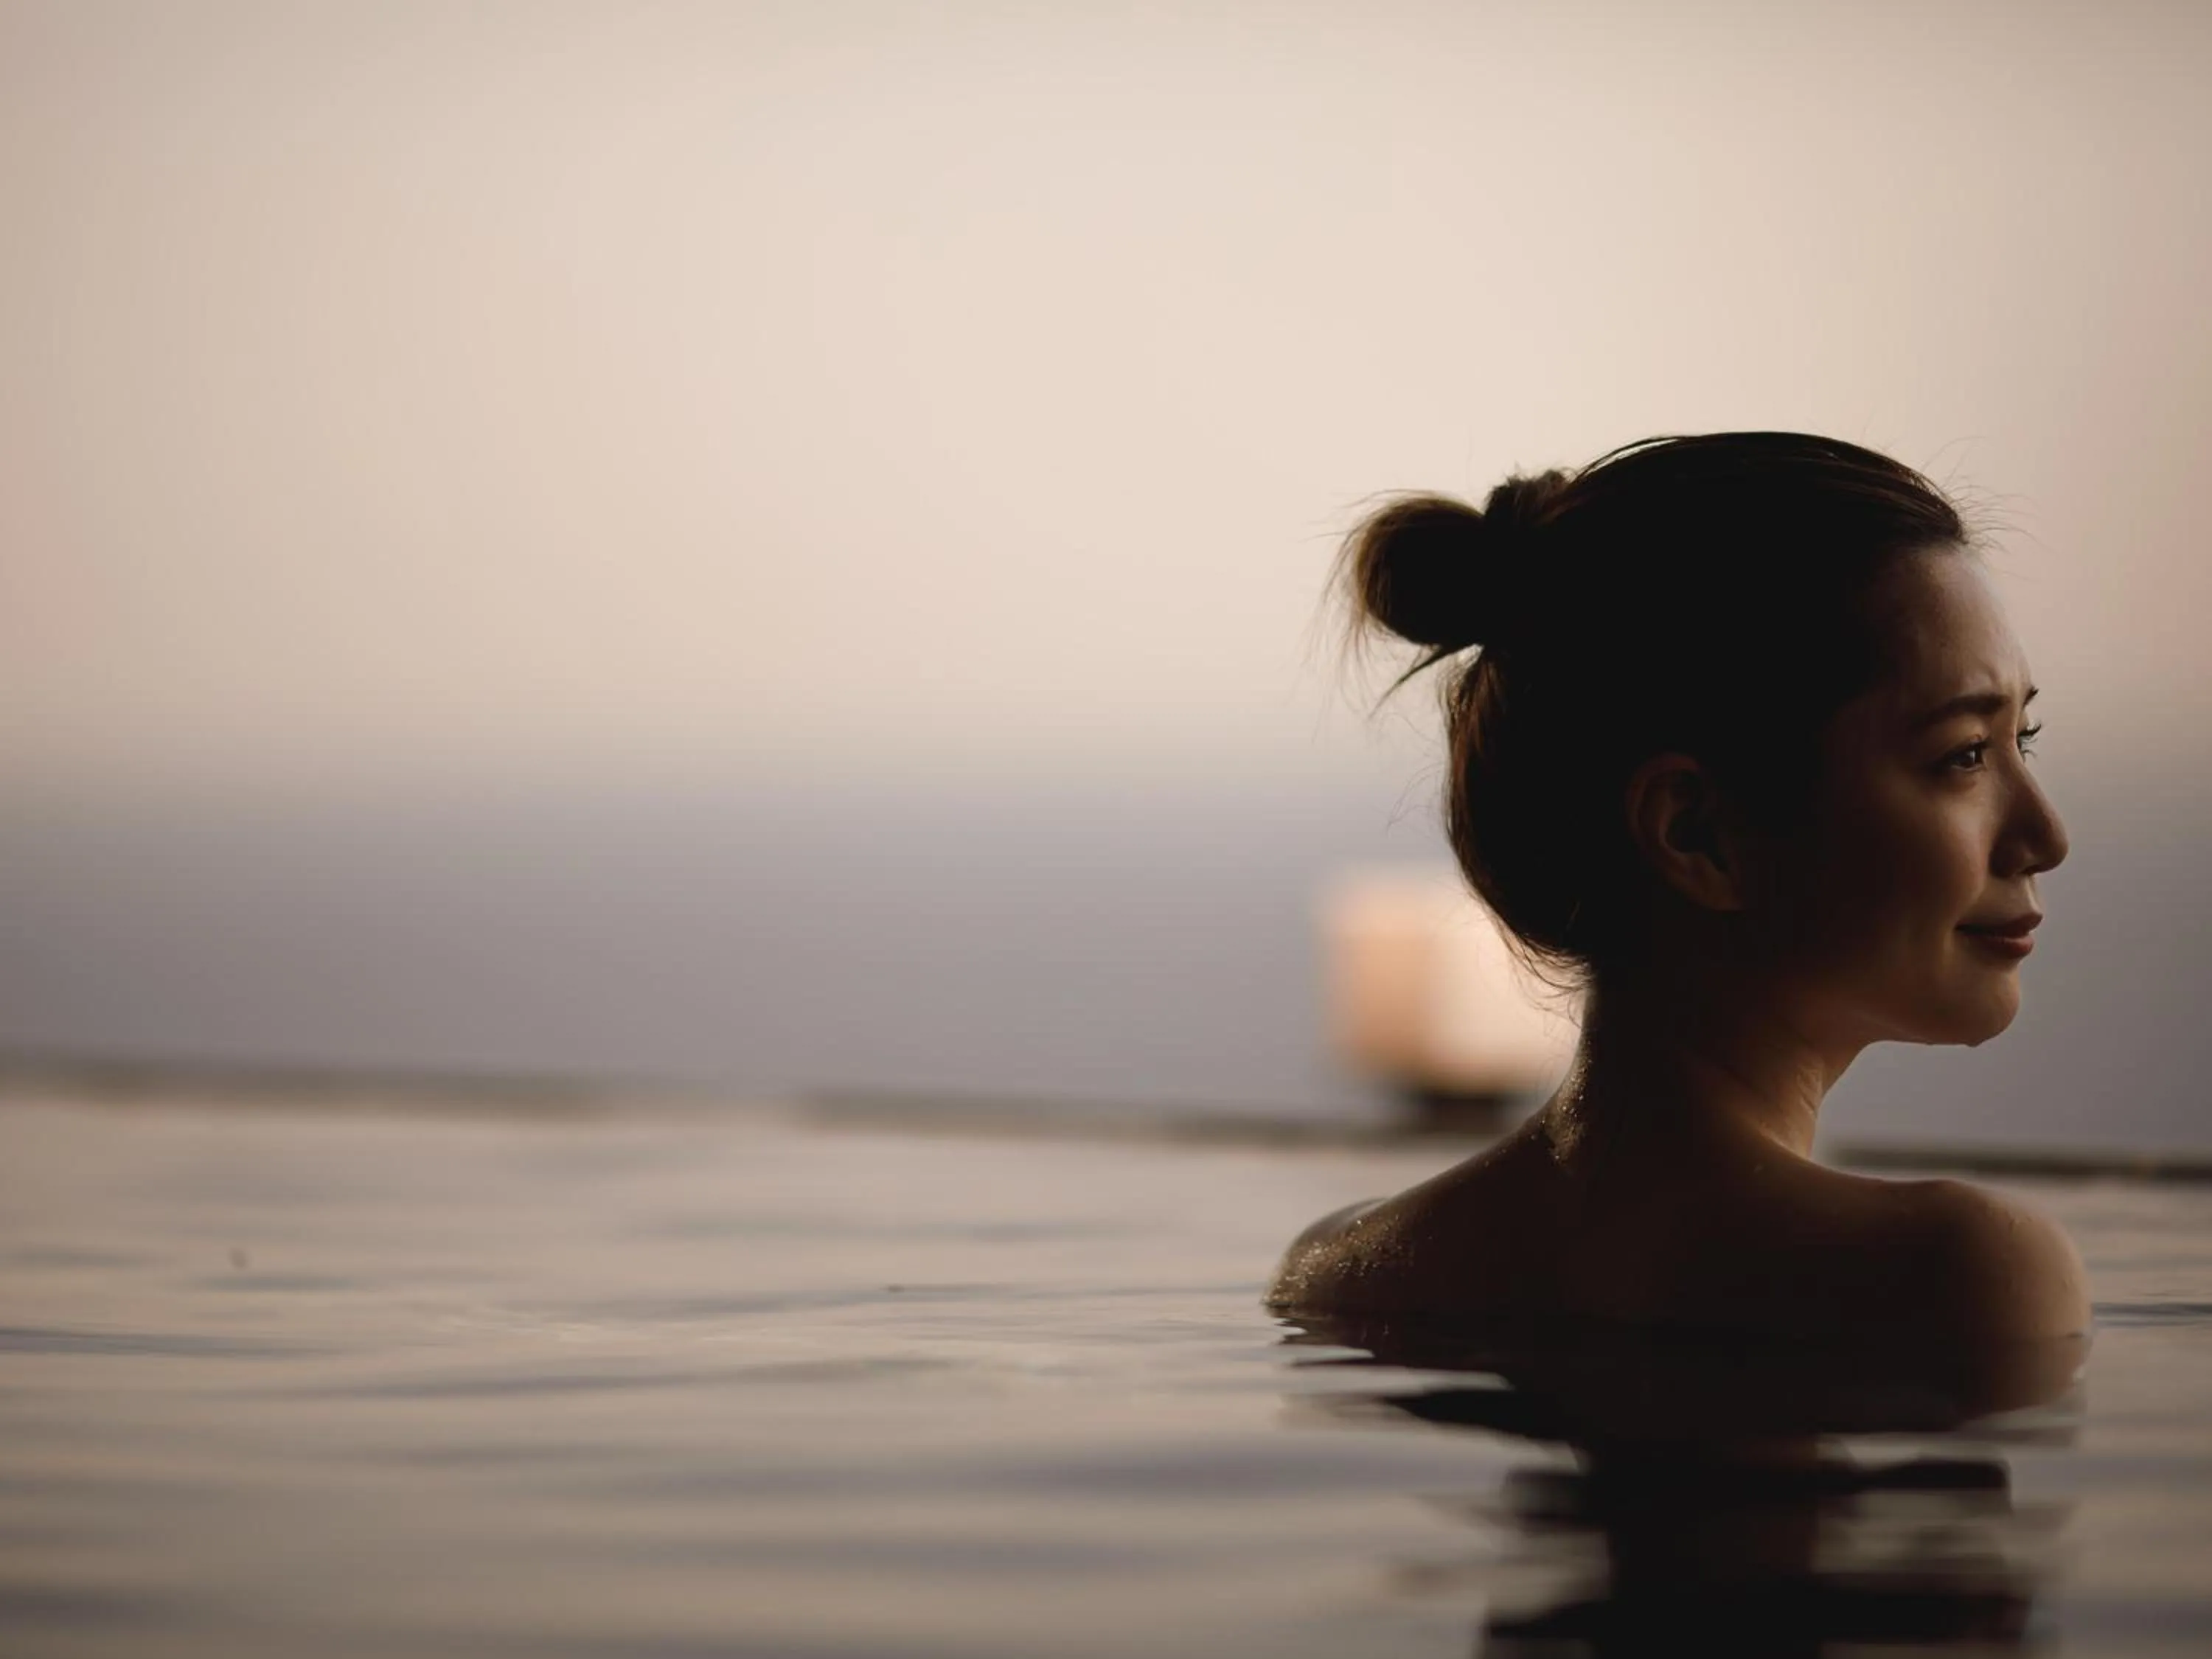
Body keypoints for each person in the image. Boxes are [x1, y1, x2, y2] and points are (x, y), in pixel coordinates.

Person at [1267, 432, 2087, 1352]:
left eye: (2026, 740)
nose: (2045, 838)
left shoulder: (1338, 1274)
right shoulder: (1960, 1273)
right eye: (1963, 756)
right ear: (1697, 834)